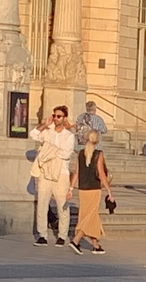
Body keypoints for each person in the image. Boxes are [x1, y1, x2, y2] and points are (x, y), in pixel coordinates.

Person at [30, 104, 76, 247]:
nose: (56, 118)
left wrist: (47, 149)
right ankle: (42, 235)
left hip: (61, 173)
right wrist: (44, 124)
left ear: (64, 118)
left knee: (62, 205)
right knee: (42, 204)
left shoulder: (69, 136)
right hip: (45, 173)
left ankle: (62, 235)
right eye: (54, 115)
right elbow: (33, 134)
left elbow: (66, 153)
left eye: (59, 116)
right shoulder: (48, 131)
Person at [71, 129, 111, 254]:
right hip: (94, 188)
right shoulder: (98, 154)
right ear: (97, 140)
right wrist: (109, 191)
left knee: (88, 215)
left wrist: (71, 188)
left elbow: (76, 173)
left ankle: (96, 245)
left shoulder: (81, 153)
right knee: (91, 215)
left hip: (82, 188)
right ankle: (76, 240)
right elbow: (101, 174)